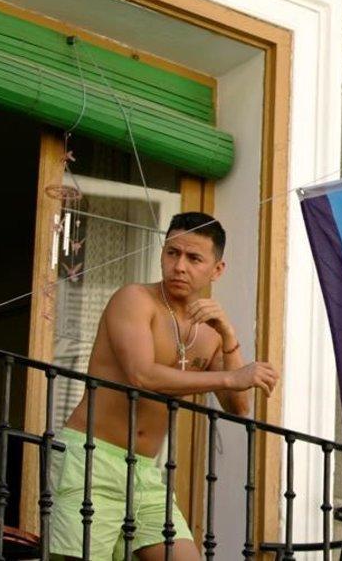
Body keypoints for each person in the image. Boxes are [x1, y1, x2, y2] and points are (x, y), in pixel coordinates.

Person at [49, 211, 279, 561]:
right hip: (92, 459)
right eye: (172, 253)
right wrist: (231, 376)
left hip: (145, 472)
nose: (179, 266)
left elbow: (239, 407)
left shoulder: (210, 332)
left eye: (194, 258)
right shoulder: (134, 299)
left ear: (217, 269)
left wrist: (229, 336)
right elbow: (143, 376)